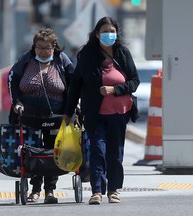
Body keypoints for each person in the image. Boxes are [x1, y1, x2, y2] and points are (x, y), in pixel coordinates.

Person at [64, 17, 140, 205]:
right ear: (97, 34)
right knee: (97, 151)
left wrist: (115, 90)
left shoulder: (122, 53)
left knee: (115, 153)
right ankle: (97, 191)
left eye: (112, 31)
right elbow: (76, 85)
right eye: (105, 31)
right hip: (95, 113)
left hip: (119, 113)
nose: (109, 35)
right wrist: (68, 112)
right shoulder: (87, 55)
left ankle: (113, 190)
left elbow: (134, 81)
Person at [7, 28, 74, 204]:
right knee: (33, 153)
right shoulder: (26, 60)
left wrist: (75, 105)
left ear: (54, 47)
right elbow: (12, 79)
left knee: (53, 153)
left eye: (47, 48)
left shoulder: (61, 60)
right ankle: (35, 190)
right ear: (34, 47)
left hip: (56, 116)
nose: (43, 51)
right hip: (29, 115)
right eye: (39, 47)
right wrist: (17, 103)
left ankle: (50, 191)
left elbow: (74, 83)